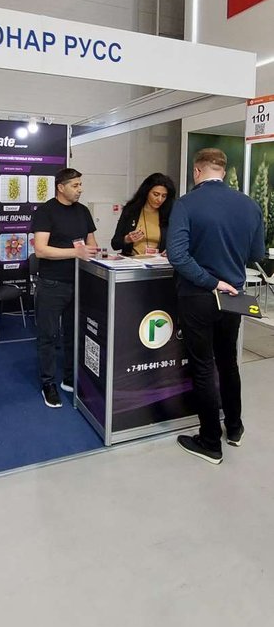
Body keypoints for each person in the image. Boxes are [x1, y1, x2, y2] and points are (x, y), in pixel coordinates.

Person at [167, 147, 265, 465]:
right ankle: (234, 428)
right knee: (228, 362)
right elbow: (256, 253)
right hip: (234, 295)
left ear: (197, 171)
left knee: (203, 366)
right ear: (223, 170)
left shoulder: (186, 204)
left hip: (198, 295)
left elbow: (177, 255)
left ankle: (210, 441)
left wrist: (210, 281)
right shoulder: (249, 205)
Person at [31, 167, 97, 408]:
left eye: (81, 184)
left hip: (79, 282)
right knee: (48, 336)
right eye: (75, 185)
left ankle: (70, 377)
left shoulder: (83, 211)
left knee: (74, 333)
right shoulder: (45, 212)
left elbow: (92, 245)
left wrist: (99, 255)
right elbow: (41, 250)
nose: (80, 189)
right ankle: (48, 383)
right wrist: (75, 252)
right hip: (52, 284)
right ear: (61, 187)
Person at [111, 173, 176, 256]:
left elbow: (177, 241)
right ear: (146, 192)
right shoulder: (131, 210)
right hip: (133, 260)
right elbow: (115, 244)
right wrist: (127, 239)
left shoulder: (170, 213)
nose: (159, 199)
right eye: (156, 194)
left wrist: (170, 249)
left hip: (158, 261)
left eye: (164, 196)